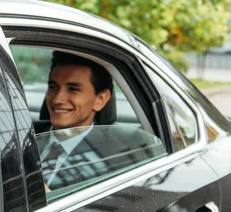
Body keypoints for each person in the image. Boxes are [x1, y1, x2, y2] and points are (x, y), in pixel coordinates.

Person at [37, 52, 164, 191]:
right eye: (53, 87)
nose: (57, 99)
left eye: (73, 89)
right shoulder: (22, 135)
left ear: (100, 100)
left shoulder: (119, 158)